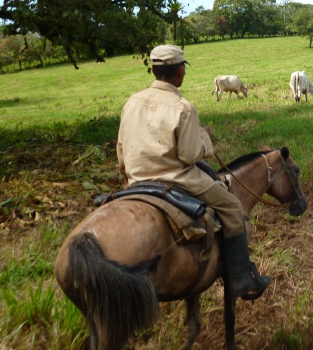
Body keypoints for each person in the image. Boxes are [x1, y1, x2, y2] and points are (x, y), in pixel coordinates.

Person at [115, 44, 270, 301]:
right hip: (178, 180)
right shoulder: (183, 108)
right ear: (180, 72)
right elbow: (189, 155)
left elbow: (121, 154)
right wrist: (203, 138)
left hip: (136, 180)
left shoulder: (131, 102)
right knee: (232, 208)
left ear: (153, 71)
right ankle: (241, 277)